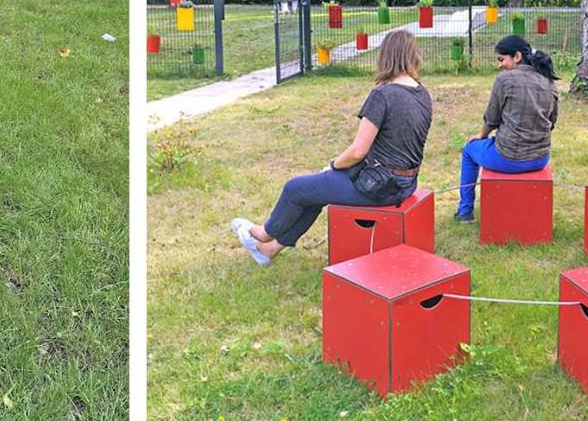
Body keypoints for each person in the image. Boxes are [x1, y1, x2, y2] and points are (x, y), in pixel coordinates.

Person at [231, 29, 432, 265]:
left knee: (295, 188)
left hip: (378, 188)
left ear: (386, 57)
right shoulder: (422, 94)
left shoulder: (383, 95)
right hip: (406, 184)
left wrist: (332, 165)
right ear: (413, 56)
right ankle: (270, 250)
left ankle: (262, 234)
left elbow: (358, 151)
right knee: (314, 191)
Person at [453, 34, 559, 221]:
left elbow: (492, 119)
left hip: (509, 158)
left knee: (469, 150)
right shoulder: (549, 81)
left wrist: (481, 136)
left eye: (501, 59)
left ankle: (465, 211)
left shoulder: (505, 79)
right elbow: (551, 122)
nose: (499, 65)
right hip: (541, 158)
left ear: (517, 56)